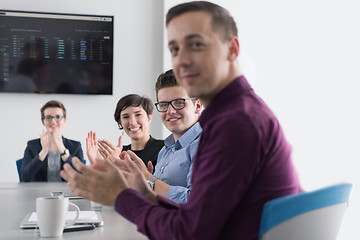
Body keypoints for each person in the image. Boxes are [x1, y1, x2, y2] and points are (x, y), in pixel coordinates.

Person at [61, 2, 302, 239]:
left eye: (196, 44)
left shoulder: (238, 123)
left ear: (232, 49)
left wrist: (119, 196)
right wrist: (146, 192)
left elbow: (189, 232)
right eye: (175, 49)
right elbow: (196, 215)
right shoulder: (229, 114)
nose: (182, 60)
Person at [114, 69, 202, 203]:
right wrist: (143, 182)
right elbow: (157, 195)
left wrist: (148, 178)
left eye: (179, 102)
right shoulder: (166, 150)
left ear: (198, 106)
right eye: (164, 104)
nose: (170, 111)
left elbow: (197, 202)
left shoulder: (207, 145)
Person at [86, 94, 164, 169]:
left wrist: (118, 163)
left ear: (149, 118)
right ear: (120, 122)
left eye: (138, 115)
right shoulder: (119, 153)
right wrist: (95, 164)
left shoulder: (164, 149)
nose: (132, 122)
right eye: (126, 117)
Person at [21, 100, 84, 182]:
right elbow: (25, 178)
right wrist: (43, 152)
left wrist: (63, 151)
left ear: (64, 120)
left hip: (68, 193)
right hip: (39, 194)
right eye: (48, 117)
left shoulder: (75, 146)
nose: (53, 121)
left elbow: (81, 178)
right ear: (43, 121)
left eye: (58, 117)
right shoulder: (32, 145)